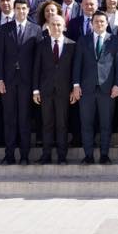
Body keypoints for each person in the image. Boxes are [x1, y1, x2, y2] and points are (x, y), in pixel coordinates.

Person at [0, 0, 40, 165]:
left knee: (24, 119)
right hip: (8, 80)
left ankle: (24, 155)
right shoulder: (5, 29)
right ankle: (9, 155)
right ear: (13, 10)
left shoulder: (35, 29)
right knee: (9, 118)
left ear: (28, 10)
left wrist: (36, 86)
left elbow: (38, 60)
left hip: (27, 81)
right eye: (18, 8)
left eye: (24, 8)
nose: (21, 11)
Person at [75, 10, 118, 164]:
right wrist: (76, 85)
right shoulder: (83, 40)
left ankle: (104, 154)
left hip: (107, 89)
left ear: (107, 23)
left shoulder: (114, 40)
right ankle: (88, 155)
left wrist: (117, 84)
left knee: (106, 124)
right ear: (91, 23)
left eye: (102, 21)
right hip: (86, 89)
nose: (99, 24)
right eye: (96, 21)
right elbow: (77, 64)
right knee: (86, 123)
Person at [35, 12, 77, 164]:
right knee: (47, 124)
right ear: (48, 27)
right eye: (53, 24)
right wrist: (35, 90)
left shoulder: (72, 45)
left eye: (59, 24)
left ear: (64, 27)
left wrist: (74, 89)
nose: (56, 27)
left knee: (62, 124)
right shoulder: (41, 44)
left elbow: (74, 70)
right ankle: (46, 155)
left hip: (64, 91)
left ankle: (61, 156)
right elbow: (36, 69)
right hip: (45, 91)